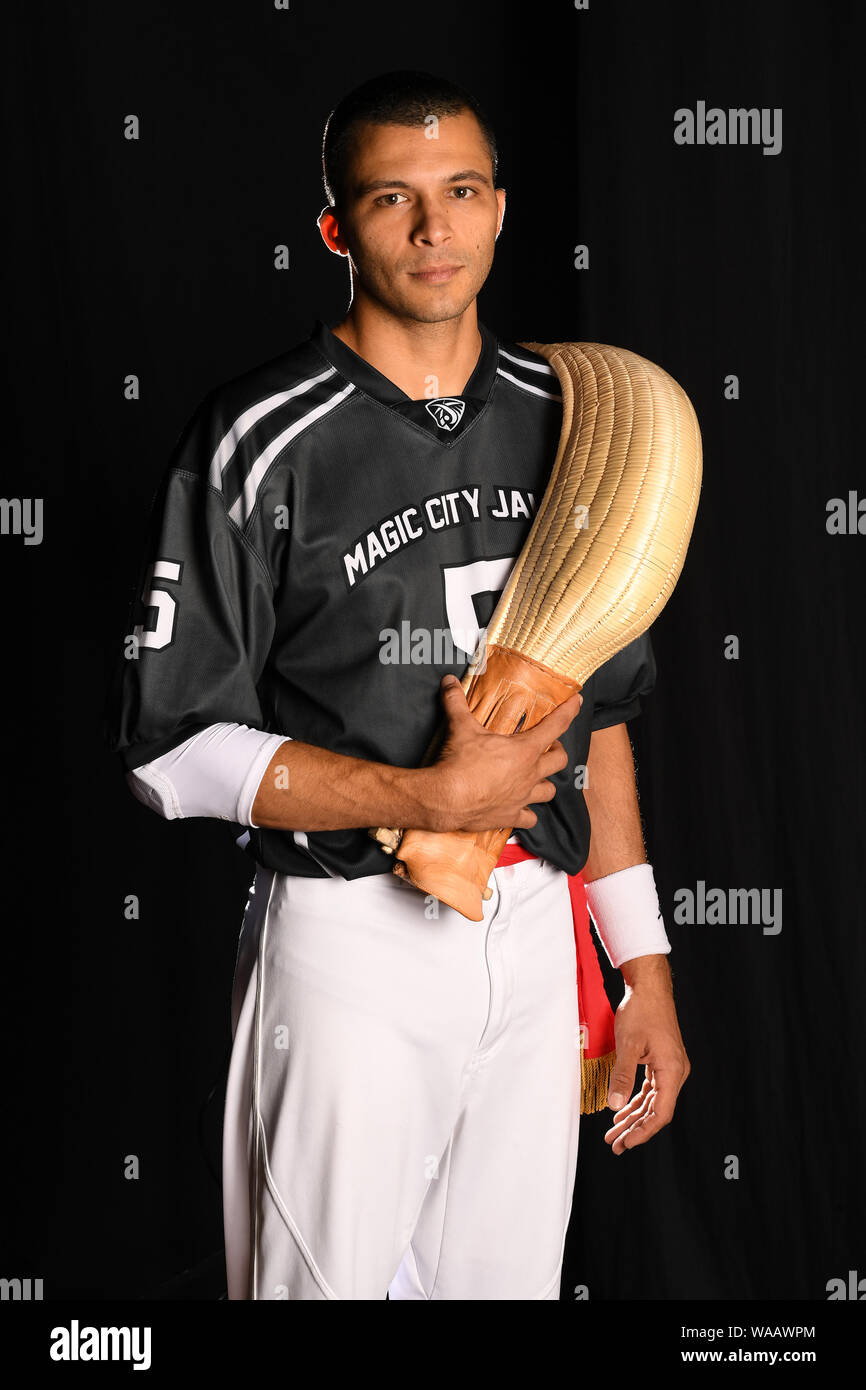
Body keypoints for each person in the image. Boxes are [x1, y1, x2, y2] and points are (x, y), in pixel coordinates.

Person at [108, 69, 690, 1301]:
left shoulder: (572, 412)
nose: (434, 230)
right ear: (336, 228)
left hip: (537, 933)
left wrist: (640, 969)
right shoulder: (258, 435)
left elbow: (604, 719)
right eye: (392, 199)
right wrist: (426, 797)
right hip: (346, 938)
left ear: (497, 207)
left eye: (461, 191)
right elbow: (168, 753)